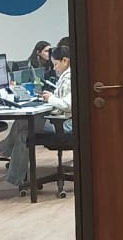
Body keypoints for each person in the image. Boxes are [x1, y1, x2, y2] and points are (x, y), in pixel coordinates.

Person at [6, 44, 73, 189]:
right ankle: (16, 177)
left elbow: (68, 105)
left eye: (56, 64)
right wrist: (51, 97)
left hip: (64, 125)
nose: (54, 68)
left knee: (23, 123)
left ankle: (4, 150)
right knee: (23, 133)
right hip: (62, 121)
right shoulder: (67, 76)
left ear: (65, 61)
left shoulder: (68, 79)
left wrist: (50, 99)